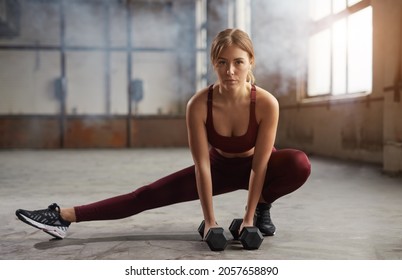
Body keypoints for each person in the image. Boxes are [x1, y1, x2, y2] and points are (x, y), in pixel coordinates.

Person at [16, 28, 311, 243]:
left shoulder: (266, 103)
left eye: (238, 62)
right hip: (217, 168)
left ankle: (261, 208)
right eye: (222, 62)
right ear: (213, 63)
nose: (230, 70)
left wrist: (247, 220)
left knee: (298, 163)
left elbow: (260, 166)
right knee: (145, 195)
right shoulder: (198, 104)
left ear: (251, 62)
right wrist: (210, 222)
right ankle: (63, 217)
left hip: (257, 166)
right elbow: (203, 166)